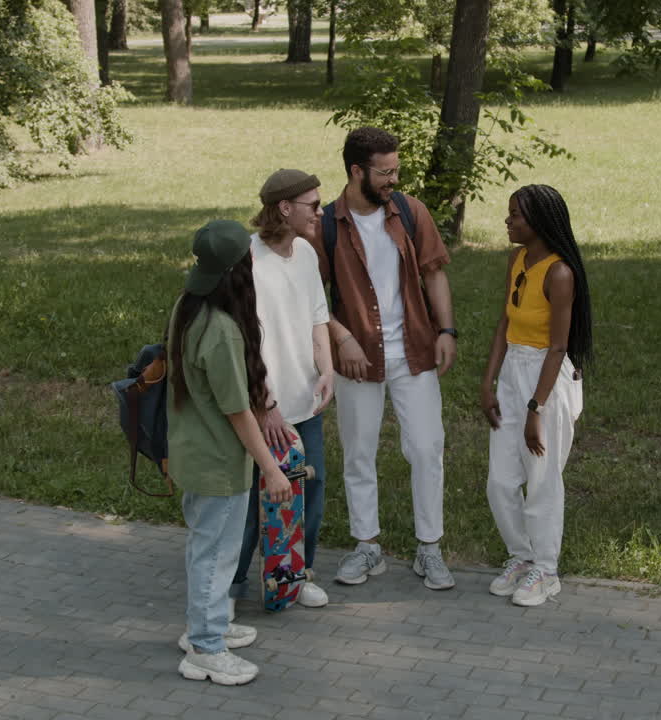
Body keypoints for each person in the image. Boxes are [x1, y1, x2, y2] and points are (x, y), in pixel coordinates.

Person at [308, 126, 459, 590]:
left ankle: (428, 549)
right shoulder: (328, 224)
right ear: (357, 171)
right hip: (357, 359)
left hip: (413, 350)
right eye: (385, 172)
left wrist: (446, 330)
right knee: (359, 453)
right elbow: (311, 294)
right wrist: (342, 339)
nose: (394, 179)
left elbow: (434, 274)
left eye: (397, 170)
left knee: (427, 447)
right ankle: (367, 546)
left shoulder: (411, 212)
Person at [169, 220, 292, 685]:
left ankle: (208, 624)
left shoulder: (187, 305)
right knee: (216, 554)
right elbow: (240, 412)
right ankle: (205, 647)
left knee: (206, 547)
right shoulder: (221, 330)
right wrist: (272, 469)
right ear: (242, 267)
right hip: (219, 463)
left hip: (192, 453)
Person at [479, 184, 592, 607]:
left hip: (546, 378)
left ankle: (546, 570)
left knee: (542, 480)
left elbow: (559, 346)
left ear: (539, 222)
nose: (508, 221)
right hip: (513, 371)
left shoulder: (560, 273)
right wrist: (488, 382)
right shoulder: (518, 259)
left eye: (516, 216)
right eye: (509, 214)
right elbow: (504, 325)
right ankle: (521, 557)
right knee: (500, 480)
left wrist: (535, 408)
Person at [227, 169, 335, 609]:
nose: (321, 211)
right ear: (285, 208)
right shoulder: (247, 261)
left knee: (312, 486)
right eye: (313, 204)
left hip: (305, 400)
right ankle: (230, 585)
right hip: (263, 407)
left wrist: (326, 368)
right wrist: (264, 406)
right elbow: (242, 341)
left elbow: (317, 316)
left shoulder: (307, 252)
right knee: (255, 498)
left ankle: (297, 574)